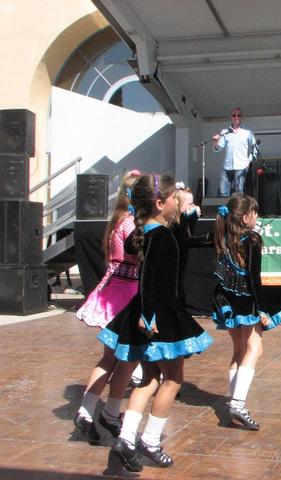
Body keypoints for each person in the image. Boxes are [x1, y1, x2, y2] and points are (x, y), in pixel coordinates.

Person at [98, 173, 213, 472]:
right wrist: (149, 317)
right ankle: (149, 440)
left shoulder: (148, 234)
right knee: (173, 379)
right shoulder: (161, 236)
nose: (178, 201)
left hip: (151, 313)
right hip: (160, 315)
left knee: (149, 379)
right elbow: (149, 281)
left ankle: (125, 439)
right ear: (160, 203)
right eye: (175, 197)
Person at [73, 170, 141, 443]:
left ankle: (89, 411)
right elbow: (136, 258)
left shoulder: (117, 221)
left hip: (113, 290)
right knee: (125, 358)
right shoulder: (130, 224)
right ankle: (107, 413)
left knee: (111, 358)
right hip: (125, 294)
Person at [211, 193, 281, 429]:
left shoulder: (223, 236)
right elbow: (254, 279)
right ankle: (238, 402)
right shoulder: (252, 239)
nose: (258, 217)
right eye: (255, 213)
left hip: (225, 298)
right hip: (245, 300)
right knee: (255, 348)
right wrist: (262, 308)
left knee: (239, 349)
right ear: (246, 217)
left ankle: (234, 400)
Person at [212, 108, 256, 197]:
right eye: (234, 115)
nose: (236, 117)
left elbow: (254, 148)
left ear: (241, 117)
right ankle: (225, 210)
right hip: (227, 166)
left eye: (238, 115)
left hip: (241, 166)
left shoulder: (247, 133)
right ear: (231, 117)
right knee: (223, 191)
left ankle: (238, 211)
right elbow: (218, 148)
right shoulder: (225, 132)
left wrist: (249, 161)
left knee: (239, 192)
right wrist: (215, 142)